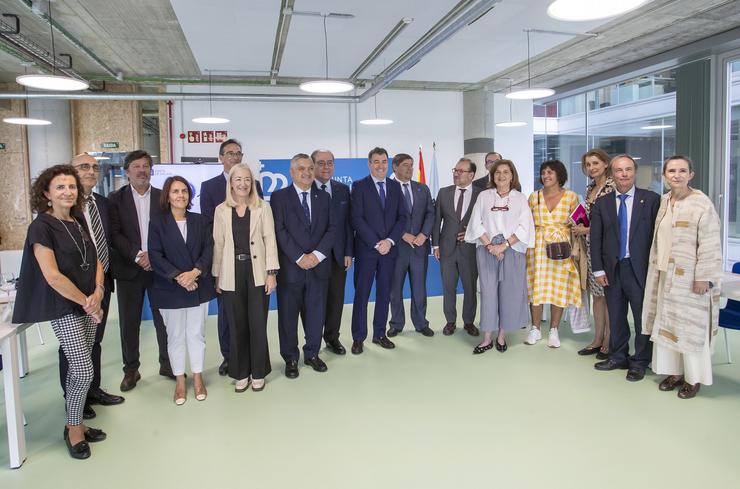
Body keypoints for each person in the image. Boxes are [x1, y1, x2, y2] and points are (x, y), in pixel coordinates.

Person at [13, 165, 107, 459]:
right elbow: (52, 276)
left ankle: (76, 419)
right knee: (82, 369)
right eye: (60, 187)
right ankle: (74, 427)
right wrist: (87, 301)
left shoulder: (78, 220)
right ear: (46, 194)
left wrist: (99, 292)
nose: (68, 192)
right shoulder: (41, 227)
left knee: (86, 359)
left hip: (88, 300)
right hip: (65, 305)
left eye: (72, 187)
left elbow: (96, 259)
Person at [642, 156, 722, 399]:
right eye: (671, 171)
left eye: (682, 171)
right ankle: (673, 372)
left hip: (690, 279)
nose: (676, 175)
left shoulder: (701, 204)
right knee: (667, 324)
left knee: (689, 328)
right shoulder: (665, 201)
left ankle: (693, 378)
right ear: (664, 175)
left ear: (691, 174)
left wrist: (703, 277)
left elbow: (710, 243)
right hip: (664, 274)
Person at [64, 154, 124, 420]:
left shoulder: (102, 203)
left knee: (95, 340)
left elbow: (110, 240)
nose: (91, 171)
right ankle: (74, 398)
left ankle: (93, 389)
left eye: (94, 167)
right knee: (73, 345)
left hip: (103, 283)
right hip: (75, 288)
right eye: (84, 167)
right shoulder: (64, 206)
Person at [591, 154, 660, 381]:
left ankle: (640, 361)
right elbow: (596, 238)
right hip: (612, 269)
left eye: (628, 169)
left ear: (635, 171)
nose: (624, 174)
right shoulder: (602, 203)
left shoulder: (651, 200)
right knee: (617, 315)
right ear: (612, 174)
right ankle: (618, 356)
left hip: (639, 269)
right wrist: (599, 270)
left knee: (642, 317)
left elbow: (656, 237)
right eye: (619, 170)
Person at [148, 176, 216, 404]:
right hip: (170, 288)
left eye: (184, 191)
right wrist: (179, 277)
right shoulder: (158, 222)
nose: (180, 195)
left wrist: (195, 272)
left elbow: (209, 249)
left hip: (198, 284)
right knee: (175, 336)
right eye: (175, 191)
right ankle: (179, 380)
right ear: (167, 196)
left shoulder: (200, 220)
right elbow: (155, 255)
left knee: (196, 334)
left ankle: (197, 377)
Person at [108, 150, 172, 391]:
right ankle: (131, 370)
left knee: (164, 321)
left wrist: (153, 257)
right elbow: (114, 233)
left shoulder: (162, 197)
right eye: (137, 166)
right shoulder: (115, 199)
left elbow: (169, 230)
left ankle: (167, 364)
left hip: (159, 269)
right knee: (129, 323)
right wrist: (137, 255)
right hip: (128, 269)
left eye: (146, 165)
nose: (142, 170)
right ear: (127, 171)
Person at [199, 139, 263, 376]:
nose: (234, 157)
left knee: (251, 316)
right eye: (229, 153)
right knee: (227, 316)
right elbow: (208, 229)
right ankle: (230, 357)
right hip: (226, 263)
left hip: (252, 263)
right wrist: (215, 269)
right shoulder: (209, 187)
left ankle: (250, 360)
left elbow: (261, 228)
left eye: (238, 153)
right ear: (221, 157)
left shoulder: (254, 185)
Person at [212, 164, 278, 392]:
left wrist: (271, 273)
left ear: (252, 183)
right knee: (236, 323)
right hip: (231, 272)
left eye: (247, 179)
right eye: (238, 179)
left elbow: (270, 240)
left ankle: (258, 371)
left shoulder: (262, 207)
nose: (243, 183)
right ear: (231, 183)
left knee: (257, 324)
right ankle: (241, 372)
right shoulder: (221, 210)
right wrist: (217, 275)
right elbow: (218, 245)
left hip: (258, 271)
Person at [272, 154, 335, 377]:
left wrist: (316, 255)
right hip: (291, 268)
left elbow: (331, 229)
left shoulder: (324, 197)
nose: (307, 172)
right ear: (291, 172)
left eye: (310, 168)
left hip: (318, 268)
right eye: (301, 169)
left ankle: (312, 354)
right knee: (288, 317)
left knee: (316, 315)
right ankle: (290, 358)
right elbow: (279, 231)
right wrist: (300, 257)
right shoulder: (279, 198)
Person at [465, 160, 534, 353]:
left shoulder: (520, 198)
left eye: (505, 172)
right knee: (488, 292)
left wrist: (503, 246)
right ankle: (487, 337)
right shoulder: (484, 196)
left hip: (512, 251)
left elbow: (524, 227)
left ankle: (502, 336)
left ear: (512, 175)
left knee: (508, 293)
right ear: (492, 176)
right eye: (497, 173)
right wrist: (490, 245)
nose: (501, 176)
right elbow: (475, 222)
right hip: (487, 250)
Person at [350, 147, 407, 354]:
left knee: (384, 294)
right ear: (369, 163)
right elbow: (357, 218)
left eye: (384, 161)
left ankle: (379, 334)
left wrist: (390, 241)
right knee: (362, 295)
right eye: (376, 161)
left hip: (389, 252)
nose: (380, 165)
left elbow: (402, 218)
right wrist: (377, 243)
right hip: (367, 250)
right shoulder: (359, 187)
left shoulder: (395, 187)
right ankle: (358, 338)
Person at [525, 160, 582, 348]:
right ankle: (535, 328)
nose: (546, 176)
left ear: (559, 175)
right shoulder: (534, 197)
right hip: (538, 247)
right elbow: (526, 223)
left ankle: (554, 330)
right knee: (536, 287)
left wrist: (575, 249)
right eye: (543, 172)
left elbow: (579, 223)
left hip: (561, 246)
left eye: (550, 172)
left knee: (558, 287)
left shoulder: (571, 197)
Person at [572, 149, 615, 359]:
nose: (592, 167)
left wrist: (587, 230)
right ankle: (597, 338)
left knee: (608, 296)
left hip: (607, 250)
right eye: (588, 164)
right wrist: (581, 224)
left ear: (606, 164)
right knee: (597, 296)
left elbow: (614, 223)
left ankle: (609, 339)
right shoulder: (591, 188)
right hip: (590, 250)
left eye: (596, 163)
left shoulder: (613, 187)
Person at [387, 153, 435, 337]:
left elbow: (431, 214)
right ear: (395, 167)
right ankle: (396, 324)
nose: (410, 169)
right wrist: (402, 234)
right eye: (405, 165)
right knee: (395, 289)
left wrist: (424, 234)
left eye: (411, 165)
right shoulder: (388, 189)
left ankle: (421, 323)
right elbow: (385, 218)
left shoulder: (422, 189)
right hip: (397, 249)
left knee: (419, 288)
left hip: (419, 248)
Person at [432, 158, 481, 337]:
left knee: (469, 288)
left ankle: (469, 322)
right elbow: (437, 220)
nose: (456, 173)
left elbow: (486, 222)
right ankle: (450, 322)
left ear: (471, 175)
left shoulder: (481, 194)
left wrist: (472, 232)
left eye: (461, 171)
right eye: (455, 170)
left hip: (470, 250)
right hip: (447, 249)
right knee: (448, 287)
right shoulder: (444, 193)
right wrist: (435, 244)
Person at [312, 149, 353, 355]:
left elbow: (348, 224)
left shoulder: (342, 190)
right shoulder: (306, 189)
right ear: (313, 165)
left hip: (338, 256)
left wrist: (348, 251)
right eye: (320, 163)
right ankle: (312, 342)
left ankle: (332, 338)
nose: (326, 167)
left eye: (329, 163)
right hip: (314, 257)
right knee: (315, 301)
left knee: (336, 300)